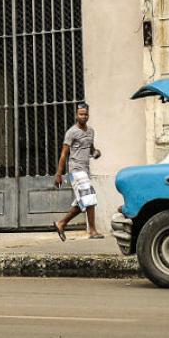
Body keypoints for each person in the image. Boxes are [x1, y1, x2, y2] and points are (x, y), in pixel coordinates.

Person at [52, 102, 102, 240]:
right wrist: (59, 174)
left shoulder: (91, 131)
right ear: (76, 115)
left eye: (86, 114)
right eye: (81, 114)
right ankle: (92, 231)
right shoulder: (71, 132)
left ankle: (61, 223)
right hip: (76, 170)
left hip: (85, 170)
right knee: (89, 198)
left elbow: (91, 149)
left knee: (83, 201)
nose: (83, 116)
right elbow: (63, 154)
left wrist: (96, 153)